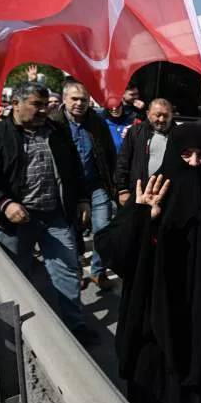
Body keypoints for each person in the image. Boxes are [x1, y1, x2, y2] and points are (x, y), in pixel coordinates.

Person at [94, 123, 201, 403]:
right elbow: (113, 250)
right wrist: (142, 217)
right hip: (154, 325)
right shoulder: (153, 192)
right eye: (185, 154)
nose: (194, 163)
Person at [0, 82, 96, 343]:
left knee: (67, 270)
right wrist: (4, 204)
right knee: (14, 278)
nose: (44, 110)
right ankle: (17, 334)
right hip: (13, 222)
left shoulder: (56, 131)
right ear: (15, 105)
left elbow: (74, 168)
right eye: (37, 105)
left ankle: (74, 328)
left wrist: (81, 199)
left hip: (54, 216)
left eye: (46, 104)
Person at [50, 81, 117, 290]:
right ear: (64, 99)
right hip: (66, 188)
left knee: (103, 229)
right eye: (74, 99)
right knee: (70, 233)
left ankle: (98, 271)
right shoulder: (53, 123)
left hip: (95, 185)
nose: (79, 103)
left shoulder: (97, 122)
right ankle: (76, 271)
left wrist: (115, 184)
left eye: (84, 100)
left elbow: (109, 154)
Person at [115, 98, 174, 205]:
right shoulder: (135, 132)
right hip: (137, 193)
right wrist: (122, 190)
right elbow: (123, 161)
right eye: (158, 115)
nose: (161, 119)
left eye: (166, 115)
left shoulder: (178, 134)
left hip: (167, 194)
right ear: (148, 114)